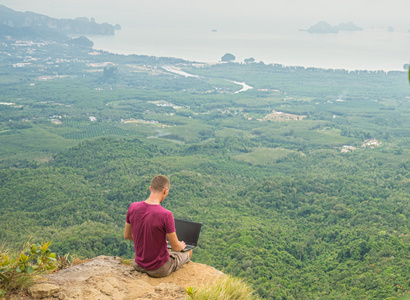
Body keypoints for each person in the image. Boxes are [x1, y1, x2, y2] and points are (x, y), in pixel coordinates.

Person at [124, 175, 192, 277]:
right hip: (159, 269)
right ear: (165, 191)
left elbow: (127, 236)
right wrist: (181, 245)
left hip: (138, 265)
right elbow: (175, 247)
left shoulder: (133, 207)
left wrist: (154, 243)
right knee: (188, 251)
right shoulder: (166, 214)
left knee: (166, 249)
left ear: (150, 188)